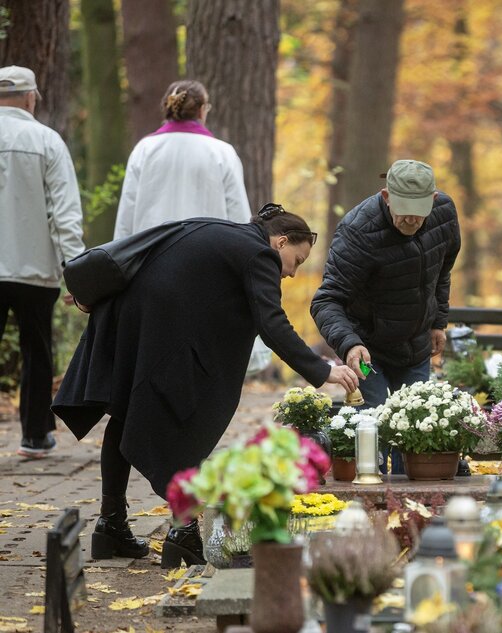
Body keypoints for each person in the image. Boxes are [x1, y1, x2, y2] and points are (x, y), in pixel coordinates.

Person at [52, 205, 359, 567]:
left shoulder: (216, 228)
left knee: (125, 414)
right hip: (155, 328)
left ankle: (111, 525)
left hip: (130, 320)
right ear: (280, 242)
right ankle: (181, 531)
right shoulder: (259, 254)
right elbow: (271, 323)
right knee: (184, 420)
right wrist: (322, 371)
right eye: (296, 259)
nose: (292, 273)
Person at [311, 159, 461, 473]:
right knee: (373, 432)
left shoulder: (444, 215)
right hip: (368, 349)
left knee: (415, 438)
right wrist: (350, 345)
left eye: (418, 212)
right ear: (385, 196)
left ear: (433, 201)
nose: (410, 219)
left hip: (416, 345)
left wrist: (438, 322)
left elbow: (441, 271)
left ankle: (411, 516)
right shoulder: (358, 231)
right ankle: (372, 511)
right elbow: (326, 301)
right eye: (402, 209)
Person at [0, 65, 86, 459]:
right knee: (37, 350)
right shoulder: (46, 140)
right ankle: (35, 437)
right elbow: (65, 213)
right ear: (31, 97)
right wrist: (78, 274)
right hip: (35, 269)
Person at [113, 79, 251, 239]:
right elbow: (238, 214)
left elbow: (126, 215)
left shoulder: (144, 150)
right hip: (207, 254)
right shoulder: (222, 153)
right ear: (201, 111)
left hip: (152, 256)